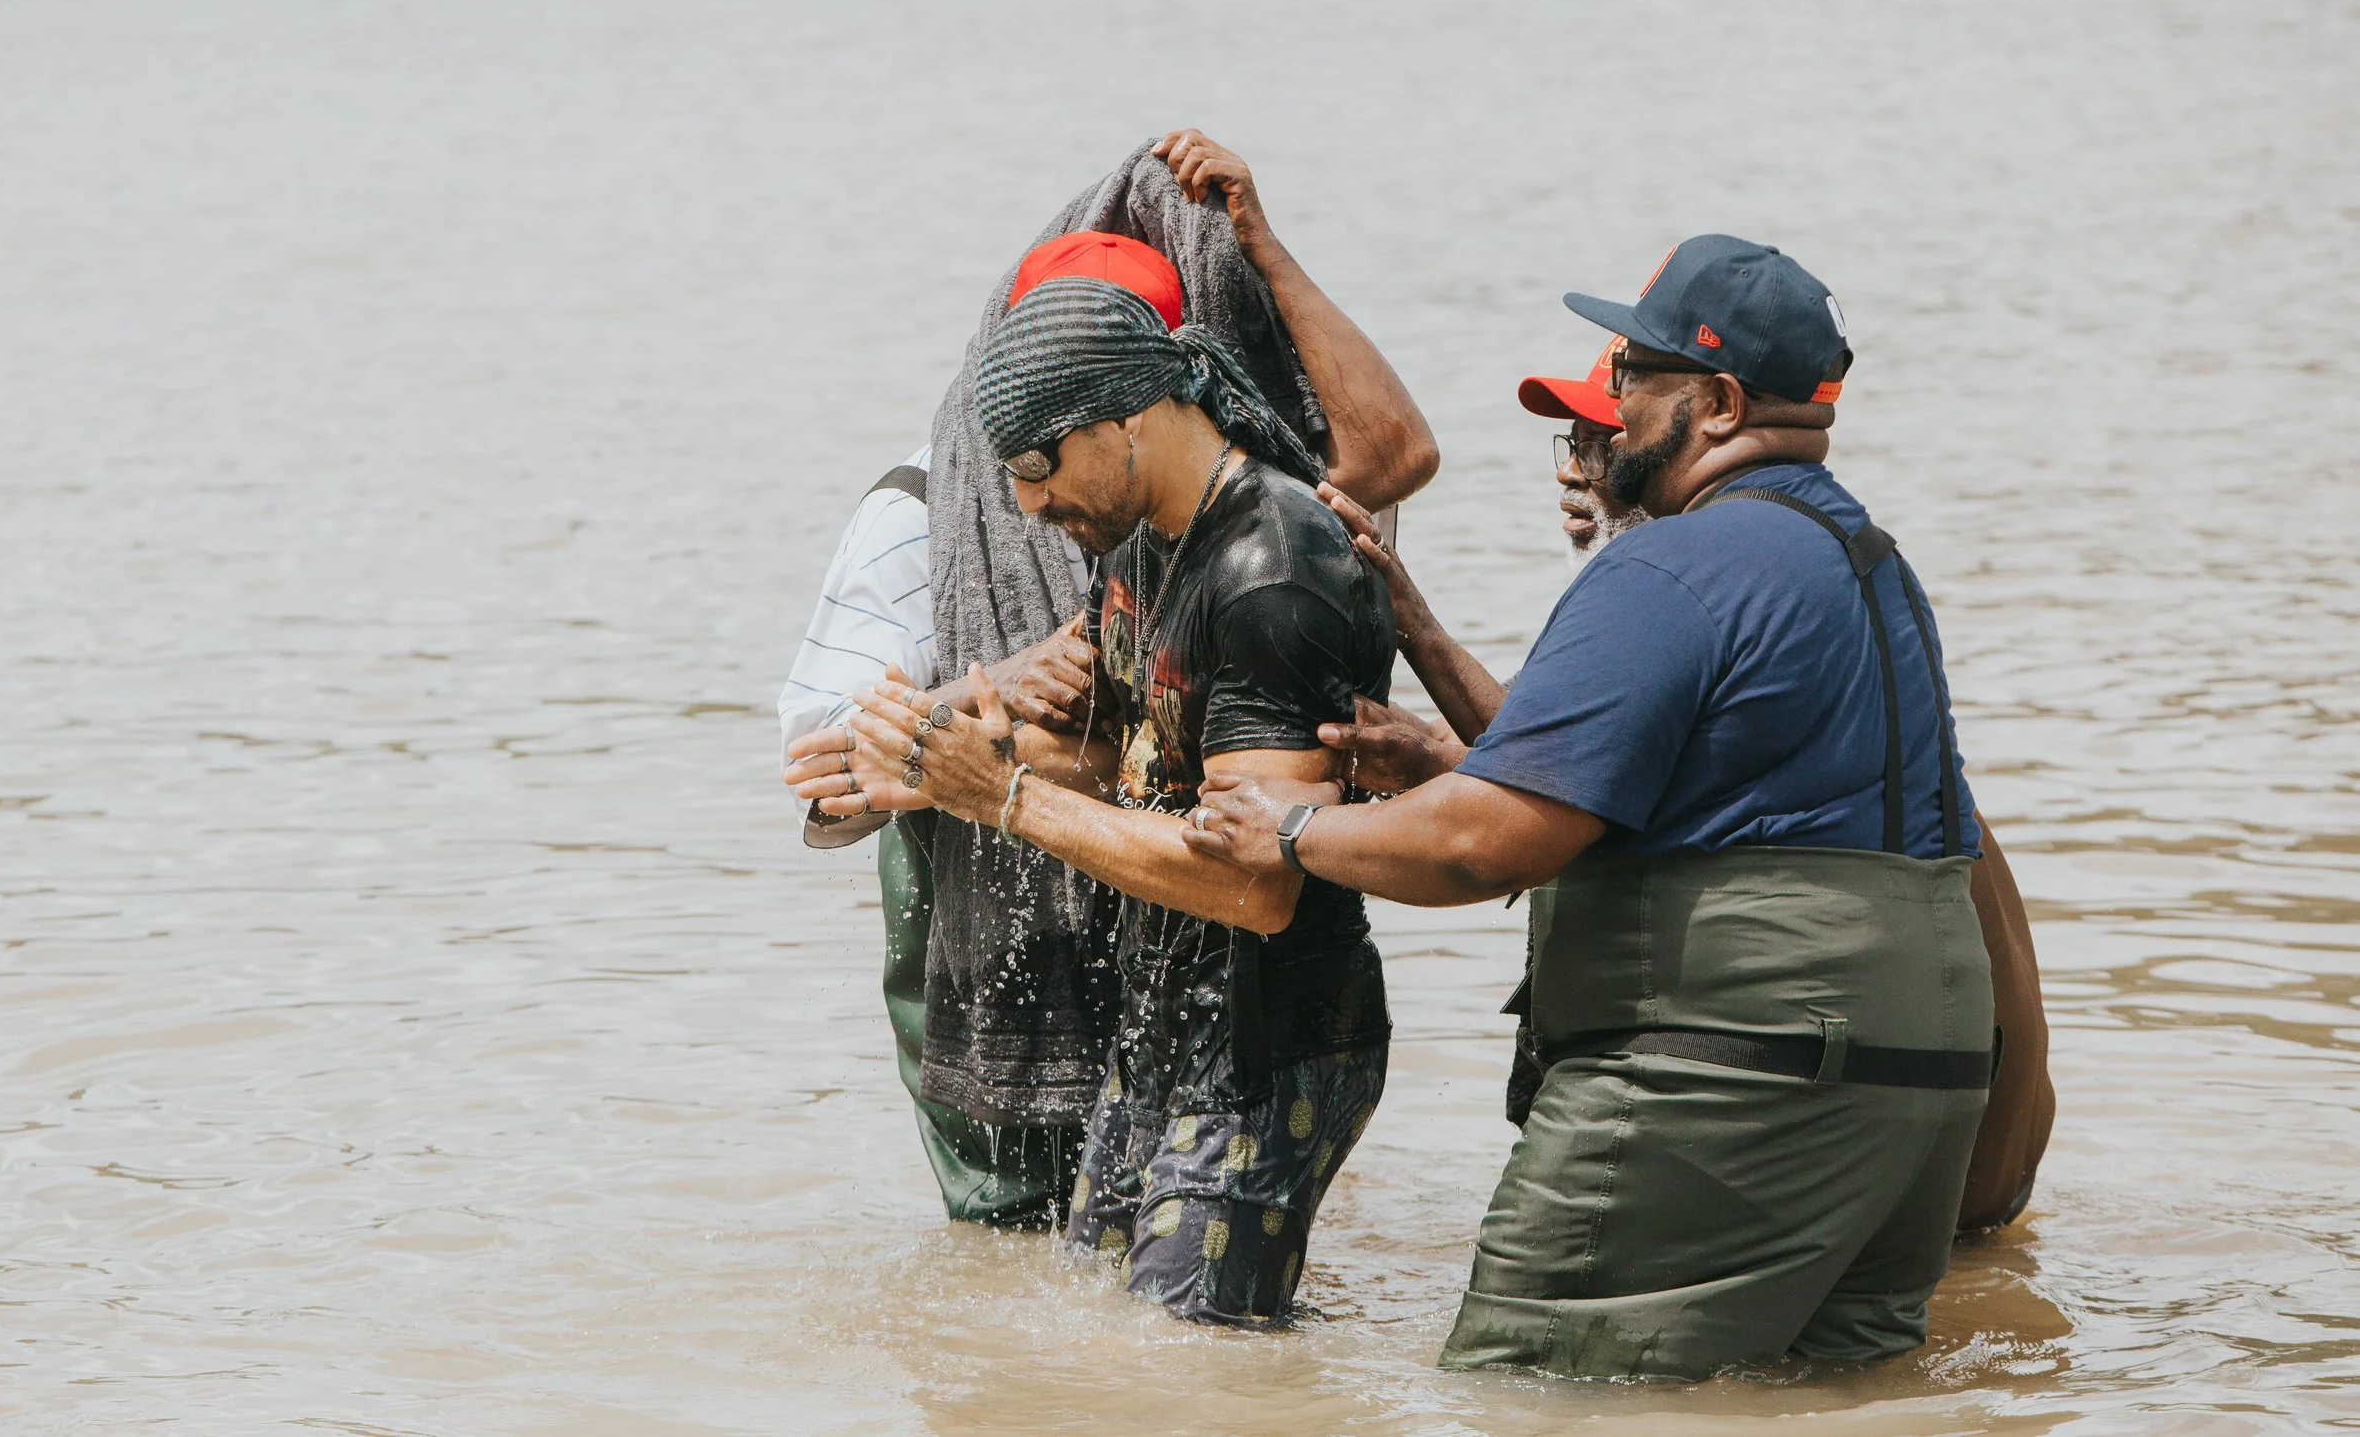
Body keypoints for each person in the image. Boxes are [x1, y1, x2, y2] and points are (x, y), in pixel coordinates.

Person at [1185, 236, 1999, 1378]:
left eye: (1634, 378)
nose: (1608, 402)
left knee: (1539, 1388)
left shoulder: (1672, 567)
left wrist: (1287, 829)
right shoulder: (1863, 558)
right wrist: (1412, 623)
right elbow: (1630, 773)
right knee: (1813, 1398)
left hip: (1728, 1068)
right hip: (1923, 1074)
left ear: (1713, 401)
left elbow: (1486, 840)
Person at [777, 132, 1436, 1230]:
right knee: (1094, 1331)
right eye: (1009, 469)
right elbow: (1107, 747)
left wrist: (1001, 791)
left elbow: (1253, 879)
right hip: (1137, 1002)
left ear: (1133, 406)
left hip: (1253, 1021)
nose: (1026, 503)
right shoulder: (1113, 547)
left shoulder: (1265, 555)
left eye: (1040, 465)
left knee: (1190, 1354)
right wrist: (947, 740)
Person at [1320, 340, 2054, 1235]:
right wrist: (1432, 692)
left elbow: (1535, 820)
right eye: (1572, 449)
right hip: (1942, 1138)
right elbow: (1611, 777)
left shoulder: (1686, 580)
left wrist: (1288, 830)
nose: (1577, 477)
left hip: (1909, 1153)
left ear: (1684, 444)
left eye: (1602, 444)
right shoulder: (1816, 625)